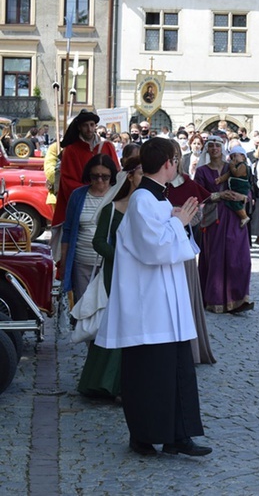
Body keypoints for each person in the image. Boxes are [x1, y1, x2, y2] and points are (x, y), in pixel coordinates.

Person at [95, 137, 211, 457]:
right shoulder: (143, 200)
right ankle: (144, 436)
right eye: (176, 160)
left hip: (167, 305)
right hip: (150, 308)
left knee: (175, 371)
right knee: (149, 375)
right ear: (168, 164)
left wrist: (177, 222)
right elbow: (154, 249)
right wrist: (178, 223)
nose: (178, 165)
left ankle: (178, 436)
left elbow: (170, 240)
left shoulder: (156, 200)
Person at [77, 157, 143, 399]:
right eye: (140, 173)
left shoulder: (150, 206)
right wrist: (120, 257)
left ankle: (128, 383)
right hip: (115, 272)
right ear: (129, 177)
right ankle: (106, 383)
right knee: (116, 322)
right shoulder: (112, 208)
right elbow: (98, 242)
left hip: (142, 274)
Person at [165, 139, 216, 364]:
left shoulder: (187, 183)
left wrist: (181, 218)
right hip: (156, 252)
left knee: (183, 299)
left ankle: (188, 351)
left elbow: (196, 218)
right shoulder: (148, 187)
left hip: (180, 249)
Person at [194, 136, 253, 313]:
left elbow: (247, 187)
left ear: (223, 148)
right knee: (216, 258)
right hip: (214, 219)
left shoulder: (233, 167)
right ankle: (216, 298)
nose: (214, 149)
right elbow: (198, 195)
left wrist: (243, 197)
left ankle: (239, 298)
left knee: (239, 258)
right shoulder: (202, 171)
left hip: (236, 218)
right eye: (210, 146)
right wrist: (219, 195)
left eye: (217, 145)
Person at [51, 110, 120, 243]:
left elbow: (116, 173)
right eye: (85, 125)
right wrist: (90, 192)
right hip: (83, 204)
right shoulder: (71, 150)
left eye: (92, 125)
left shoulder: (107, 146)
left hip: (106, 199)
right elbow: (67, 180)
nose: (89, 129)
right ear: (79, 127)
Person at [60, 154, 118, 303]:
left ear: (112, 176)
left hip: (110, 264)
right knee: (84, 308)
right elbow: (67, 231)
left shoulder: (118, 196)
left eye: (105, 177)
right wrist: (64, 262)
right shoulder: (78, 196)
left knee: (108, 308)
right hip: (82, 263)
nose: (99, 180)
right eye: (95, 176)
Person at [213, 145, 253, 227]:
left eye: (235, 156)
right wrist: (220, 179)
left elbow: (236, 173)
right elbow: (228, 174)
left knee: (236, 203)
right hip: (219, 211)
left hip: (240, 188)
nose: (233, 159)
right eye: (232, 157)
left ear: (243, 156)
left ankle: (244, 216)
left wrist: (243, 197)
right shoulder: (233, 167)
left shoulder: (242, 166)